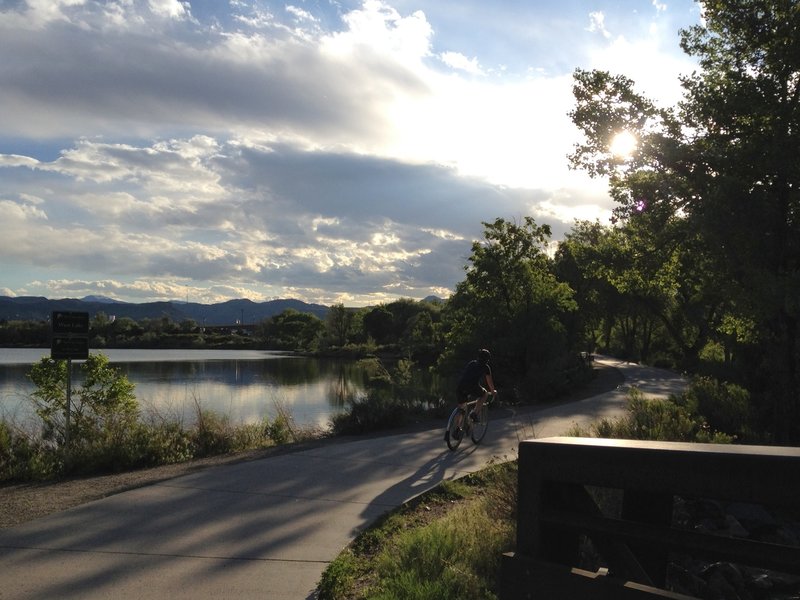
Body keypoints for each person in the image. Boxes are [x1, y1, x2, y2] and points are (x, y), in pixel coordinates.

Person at [455, 348, 497, 429]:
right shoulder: (486, 367)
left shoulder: (471, 363)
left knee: (461, 408)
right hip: (472, 387)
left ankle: (456, 429)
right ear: (487, 360)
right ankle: (474, 413)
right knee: (484, 394)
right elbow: (489, 381)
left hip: (460, 386)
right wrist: (493, 391)